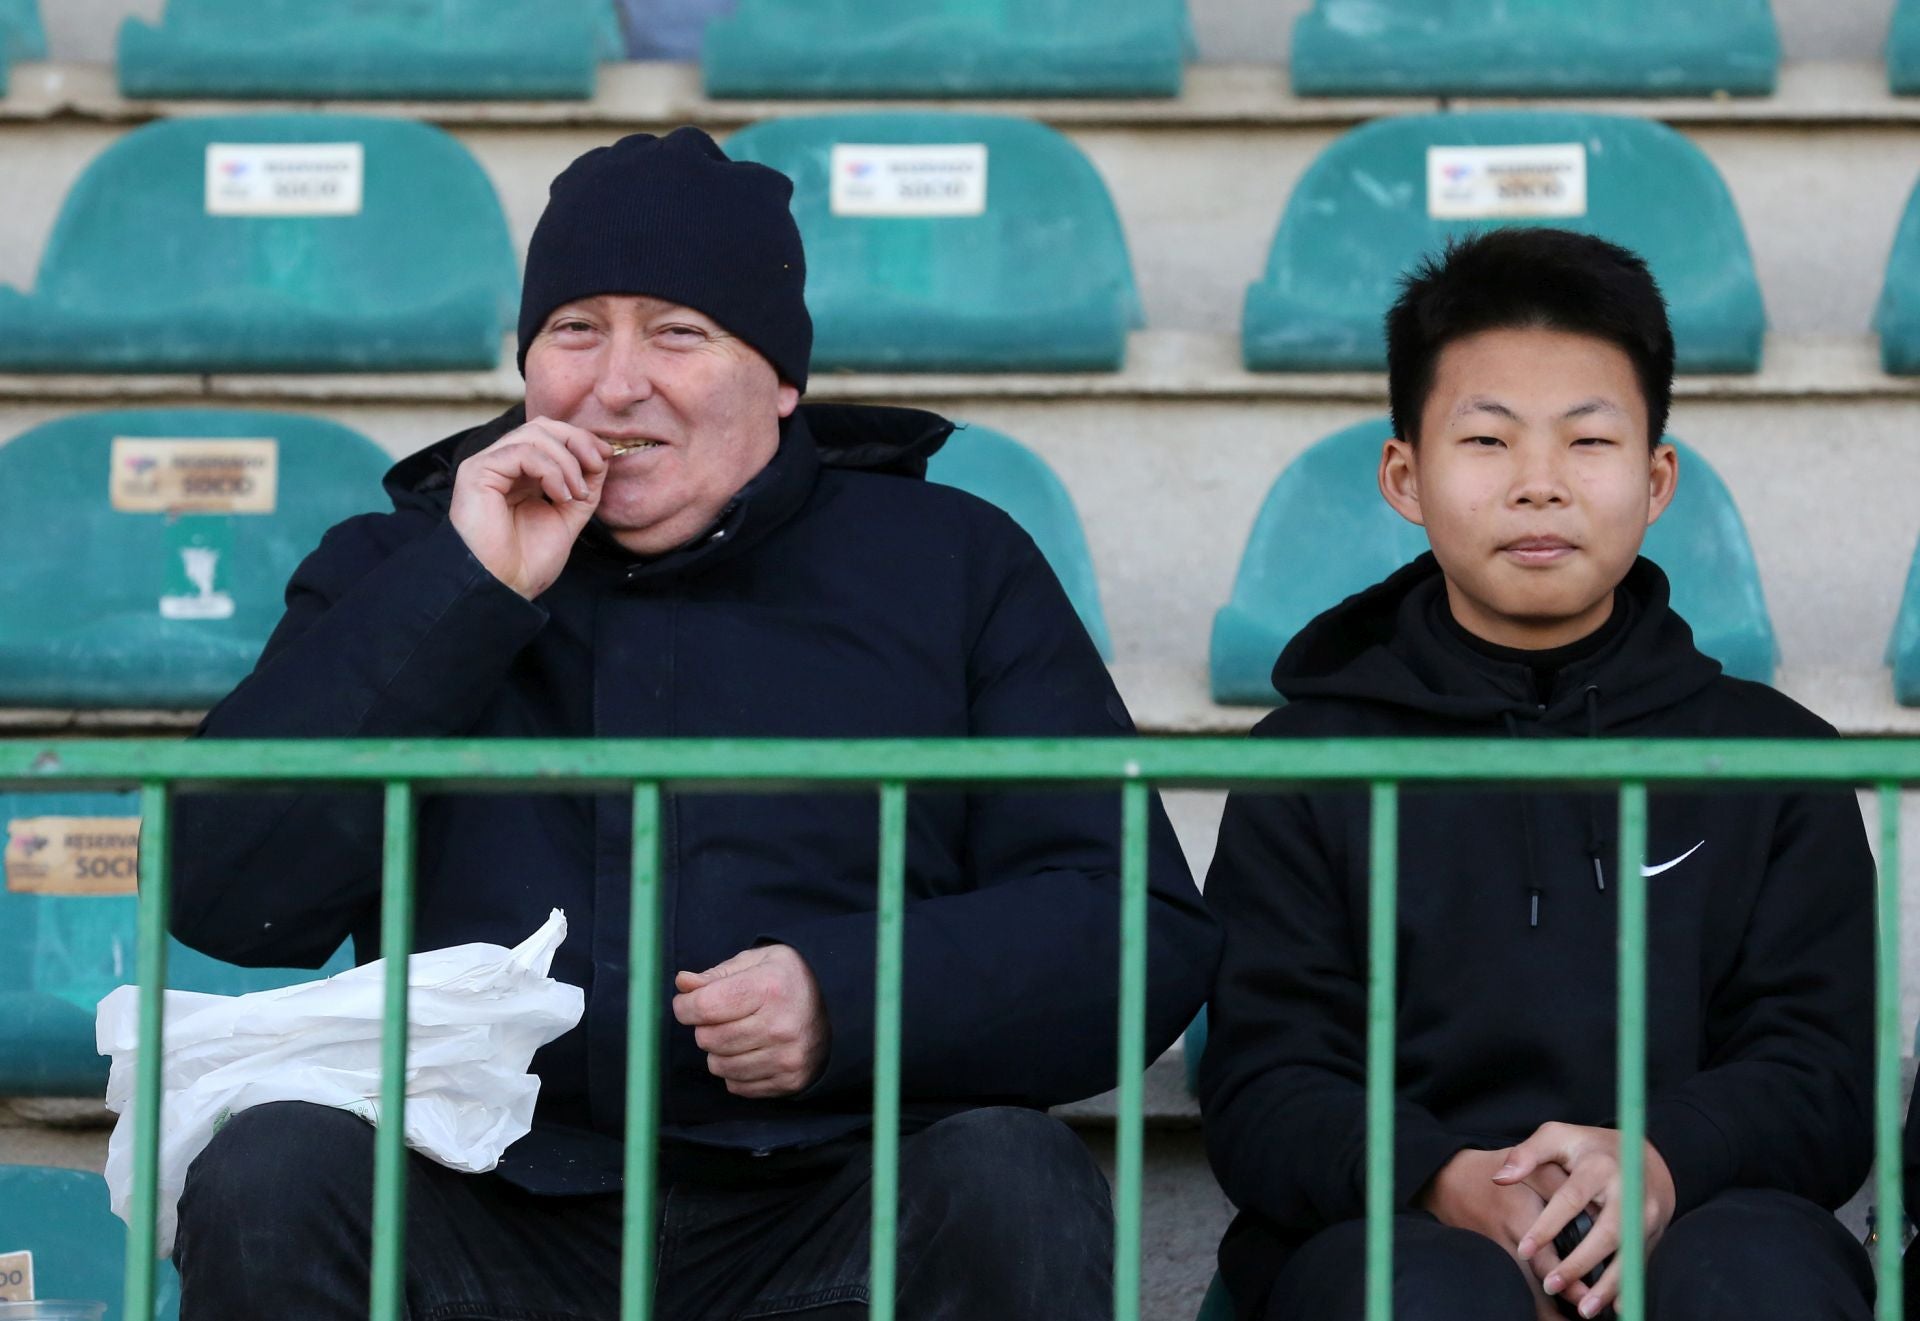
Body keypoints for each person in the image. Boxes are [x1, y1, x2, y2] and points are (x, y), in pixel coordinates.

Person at [164, 126, 1219, 1321]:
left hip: (829, 1193)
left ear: (780, 379)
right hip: (479, 1194)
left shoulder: (951, 563)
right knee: (272, 1170)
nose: (617, 382)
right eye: (575, 331)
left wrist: (850, 998)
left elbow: (1129, 925)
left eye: (678, 332)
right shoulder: (403, 562)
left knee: (1012, 1175)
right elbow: (221, 886)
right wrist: (465, 592)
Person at [1199, 227, 1875, 1321]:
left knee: (1758, 1282)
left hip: (1706, 1213)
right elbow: (1262, 1084)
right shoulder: (1306, 764)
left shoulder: (1772, 758)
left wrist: (1658, 1162)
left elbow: (1822, 1078)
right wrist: (1442, 1179)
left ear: (1657, 479)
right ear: (1405, 476)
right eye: (1488, 441)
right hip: (1399, 1230)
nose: (1540, 486)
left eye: (1589, 442)